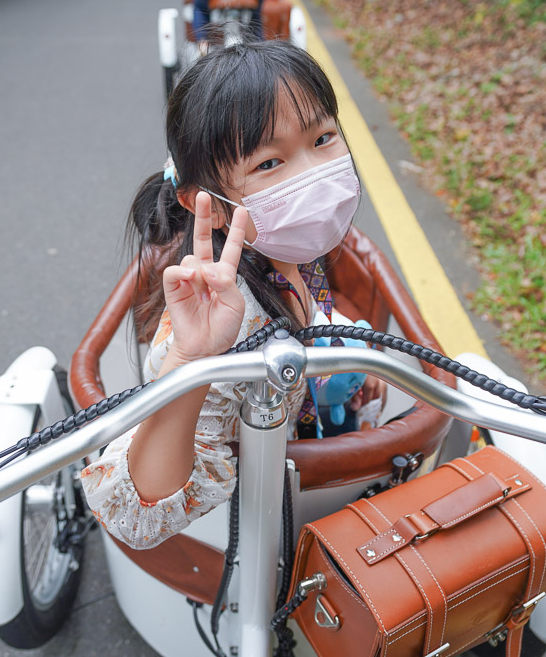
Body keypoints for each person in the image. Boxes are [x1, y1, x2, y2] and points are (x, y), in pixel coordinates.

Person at [80, 39, 385, 549]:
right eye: (270, 163)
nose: (313, 175)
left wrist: (355, 368)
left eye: (323, 137)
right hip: (265, 536)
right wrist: (191, 359)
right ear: (211, 207)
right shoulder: (224, 321)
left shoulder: (293, 250)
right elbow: (137, 513)